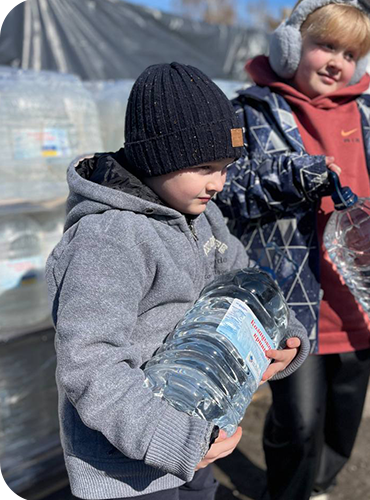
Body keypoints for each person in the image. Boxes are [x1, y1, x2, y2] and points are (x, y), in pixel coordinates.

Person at [214, 1, 370, 499]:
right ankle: (289, 493)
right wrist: (288, 175)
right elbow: (226, 190)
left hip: (362, 302)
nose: (336, 62)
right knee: (297, 422)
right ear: (291, 46)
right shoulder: (248, 112)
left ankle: (320, 485)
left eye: (350, 52)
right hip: (290, 304)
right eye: (325, 45)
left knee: (343, 420)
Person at [45, 62, 310, 500]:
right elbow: (89, 362)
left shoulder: (204, 217)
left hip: (197, 433)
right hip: (127, 469)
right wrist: (175, 438)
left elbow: (242, 283)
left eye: (226, 167)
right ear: (157, 158)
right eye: (206, 167)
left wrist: (282, 334)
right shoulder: (111, 237)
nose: (219, 184)